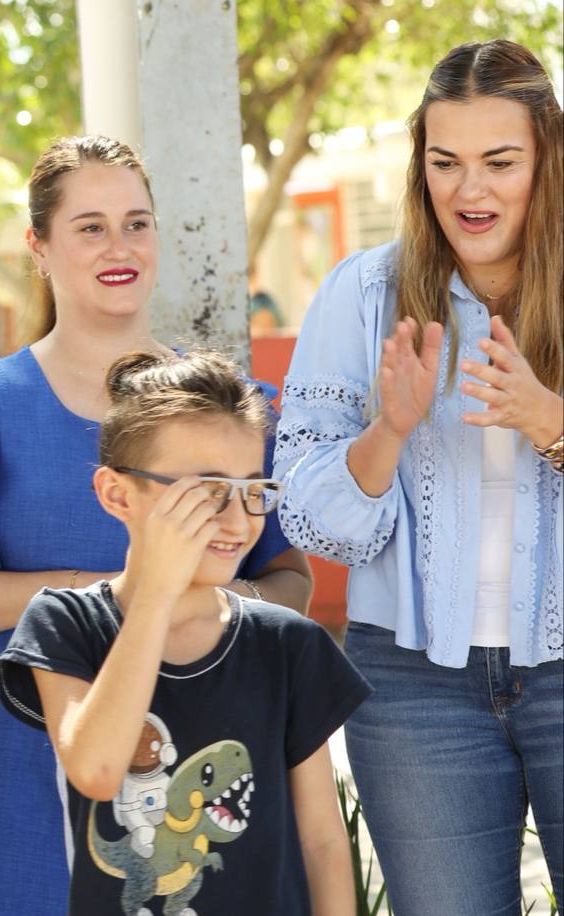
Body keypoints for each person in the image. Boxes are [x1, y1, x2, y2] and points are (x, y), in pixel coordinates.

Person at [0, 135, 313, 915]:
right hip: (9, 760)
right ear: (38, 246)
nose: (120, 247)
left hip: (191, 756)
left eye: (137, 224)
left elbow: (290, 581)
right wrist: (117, 593)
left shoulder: (228, 408)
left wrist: (198, 605)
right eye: (91, 226)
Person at [274, 39, 563, 914]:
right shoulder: (361, 295)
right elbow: (312, 520)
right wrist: (388, 432)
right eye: (445, 163)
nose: (469, 192)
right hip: (413, 692)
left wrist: (549, 419)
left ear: (548, 158)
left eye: (499, 162)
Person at [0, 349, 369, 916]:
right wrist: (157, 595)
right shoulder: (64, 626)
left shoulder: (288, 644)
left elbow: (321, 839)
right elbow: (97, 770)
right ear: (117, 494)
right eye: (206, 490)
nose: (239, 520)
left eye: (251, 489)